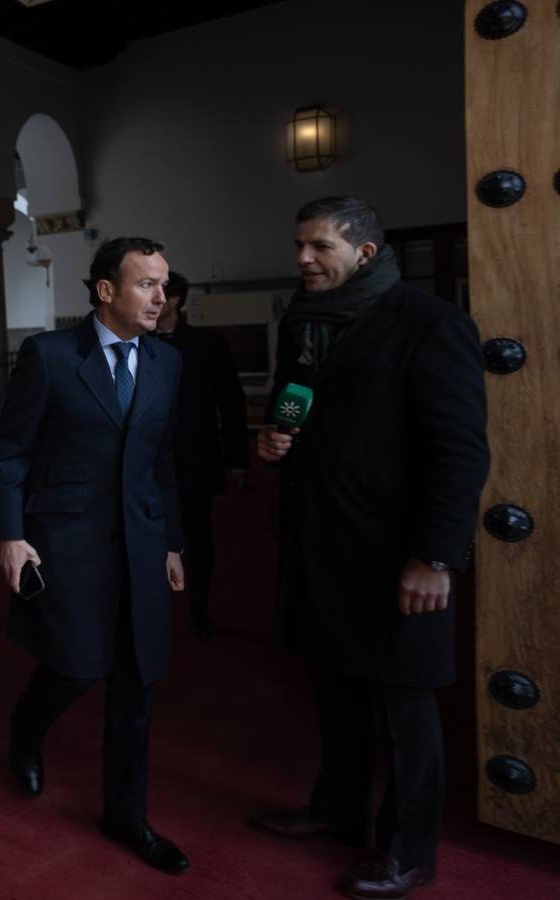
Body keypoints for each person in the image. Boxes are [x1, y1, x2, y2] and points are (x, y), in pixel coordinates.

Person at [251, 197, 489, 900]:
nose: (302, 259)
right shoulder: (303, 317)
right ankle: (335, 810)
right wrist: (275, 434)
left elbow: (458, 452)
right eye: (299, 244)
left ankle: (408, 850)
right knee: (335, 689)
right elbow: (295, 390)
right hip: (322, 543)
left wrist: (435, 557)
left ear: (362, 252)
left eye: (318, 246)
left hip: (396, 554)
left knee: (403, 708)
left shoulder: (431, 325)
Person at [0, 237, 189, 875]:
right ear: (106, 290)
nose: (161, 297)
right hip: (68, 543)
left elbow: (162, 461)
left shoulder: (167, 362)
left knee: (137, 683)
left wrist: (174, 542)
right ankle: (25, 732)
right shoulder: (48, 355)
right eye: (146, 285)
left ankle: (126, 815)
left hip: (143, 542)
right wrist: (8, 533)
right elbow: (11, 452)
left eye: (163, 285)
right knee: (74, 669)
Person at [153, 271, 248, 637]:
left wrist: (238, 459)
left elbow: (232, 405)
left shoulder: (208, 346)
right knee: (146, 537)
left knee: (197, 539)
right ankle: (151, 609)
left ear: (174, 299)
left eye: (156, 291)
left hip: (194, 458)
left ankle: (198, 608)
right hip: (145, 464)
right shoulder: (130, 343)